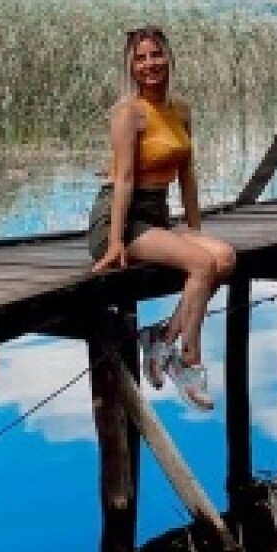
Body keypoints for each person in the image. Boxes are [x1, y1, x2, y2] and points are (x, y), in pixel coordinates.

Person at [89, 25, 237, 410]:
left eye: (156, 55)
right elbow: (121, 179)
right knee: (202, 265)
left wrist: (193, 229)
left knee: (223, 258)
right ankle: (189, 360)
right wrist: (117, 241)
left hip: (156, 216)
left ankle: (162, 336)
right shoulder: (127, 114)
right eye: (141, 58)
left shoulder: (180, 110)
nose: (150, 64)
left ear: (169, 58)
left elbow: (187, 173)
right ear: (130, 66)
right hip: (119, 219)